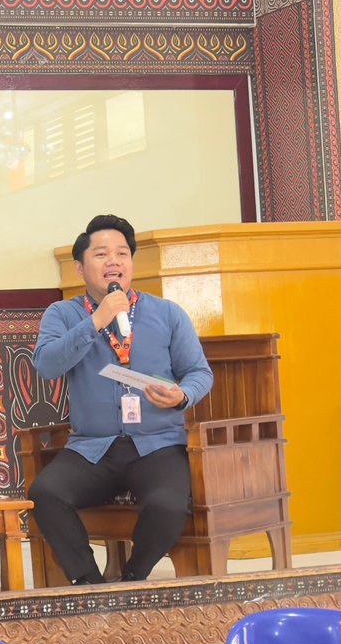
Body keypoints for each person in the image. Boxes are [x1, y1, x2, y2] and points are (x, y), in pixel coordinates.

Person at [30, 215, 214, 584]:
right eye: (101, 254)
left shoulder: (167, 313)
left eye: (122, 253)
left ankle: (132, 579)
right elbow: (47, 365)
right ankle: (90, 583)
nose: (113, 261)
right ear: (80, 267)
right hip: (92, 448)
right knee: (45, 493)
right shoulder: (63, 314)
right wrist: (96, 321)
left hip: (158, 444)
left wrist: (182, 395)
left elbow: (199, 373)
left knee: (167, 504)